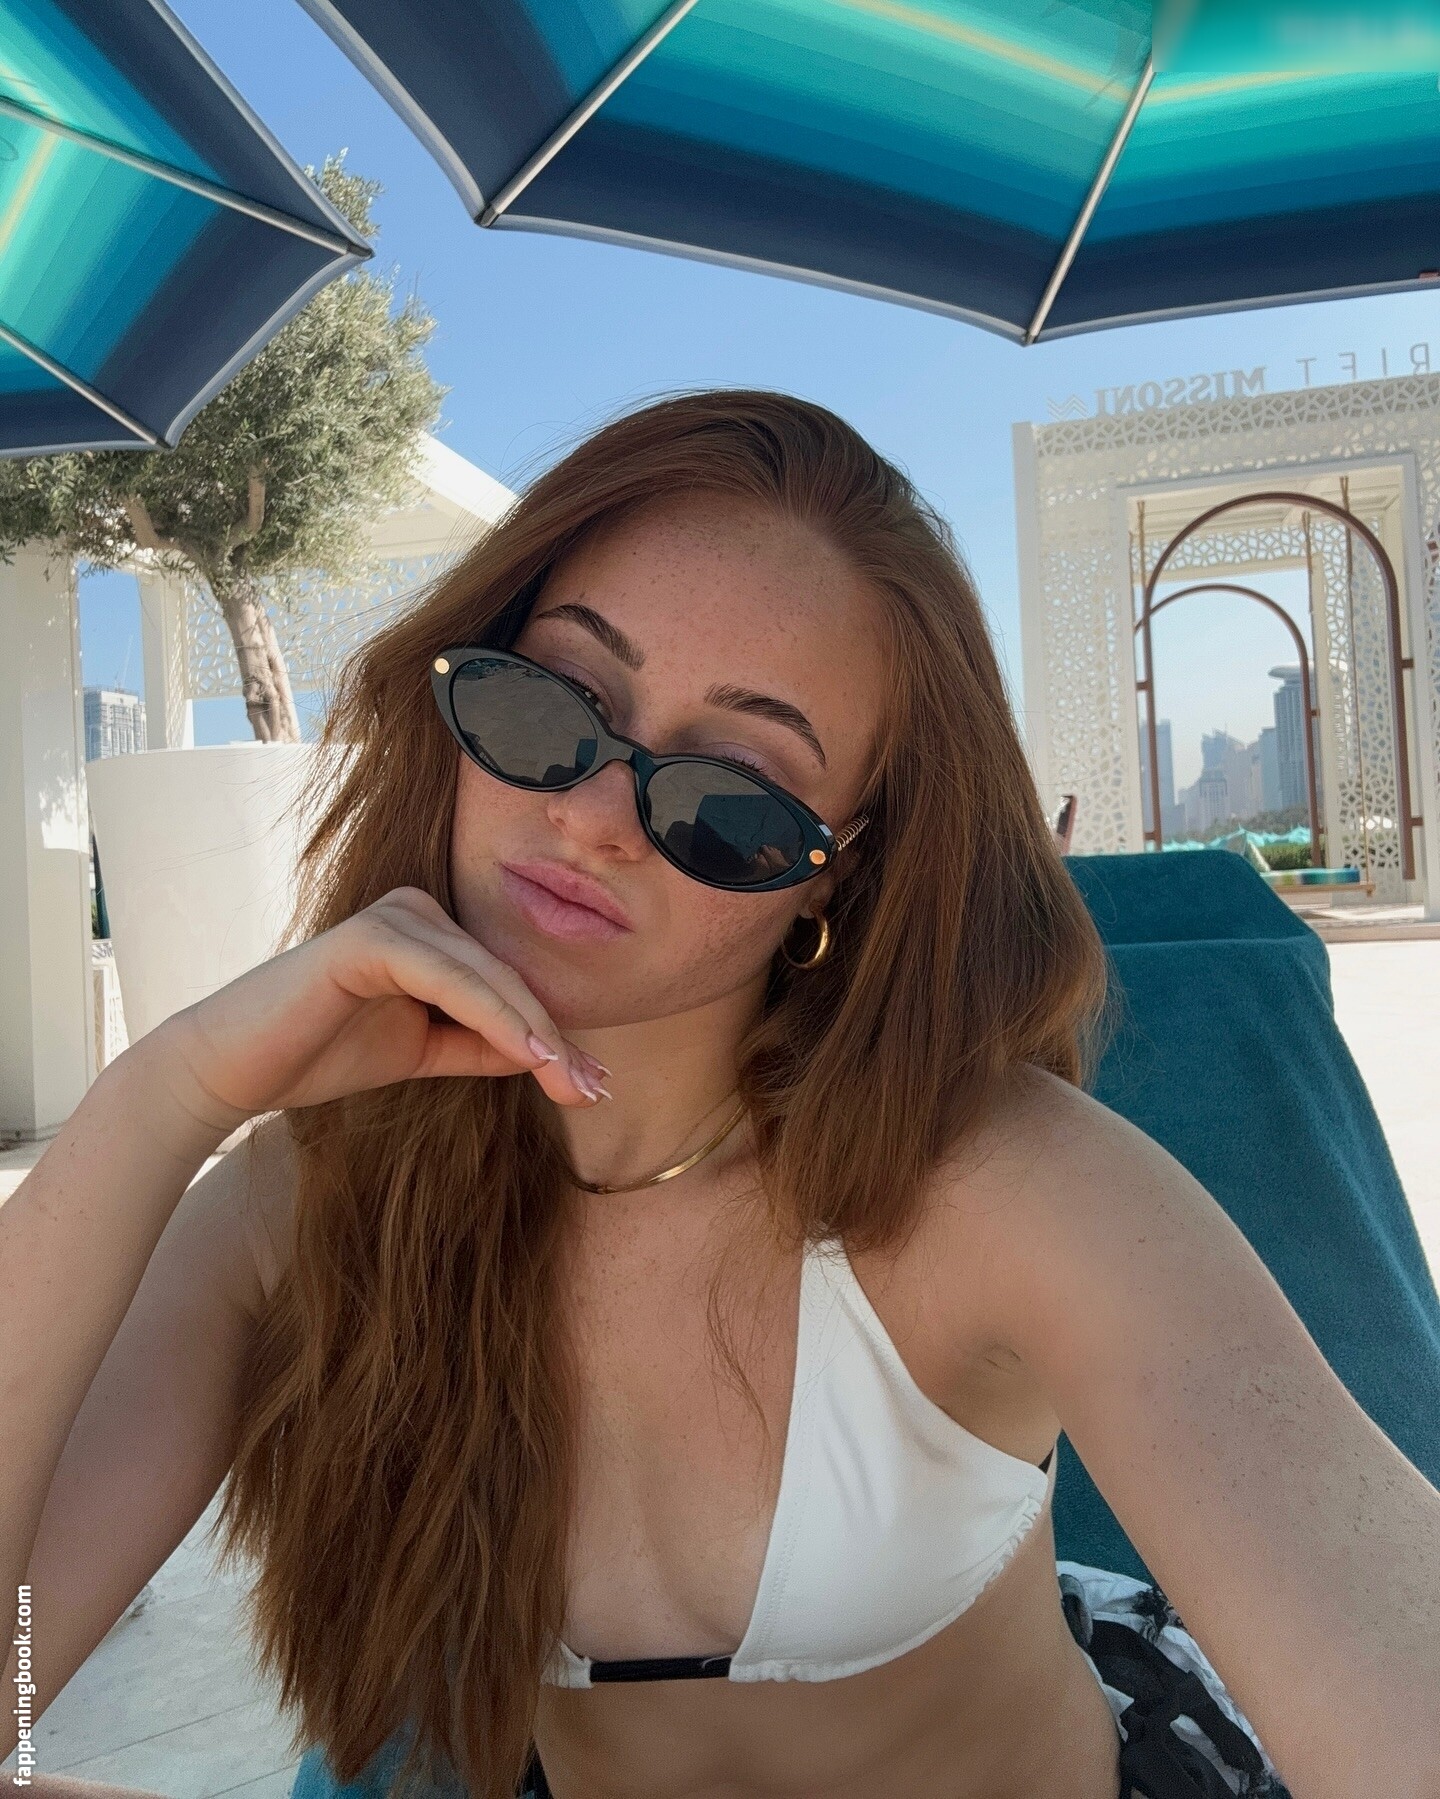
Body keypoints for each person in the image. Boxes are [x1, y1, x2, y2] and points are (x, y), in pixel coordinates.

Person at [4, 393, 1439, 1799]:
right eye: (550, 704)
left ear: (835, 874)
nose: (590, 819)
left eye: (731, 792)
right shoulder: (303, 1204)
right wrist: (165, 1095)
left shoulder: (994, 1191)